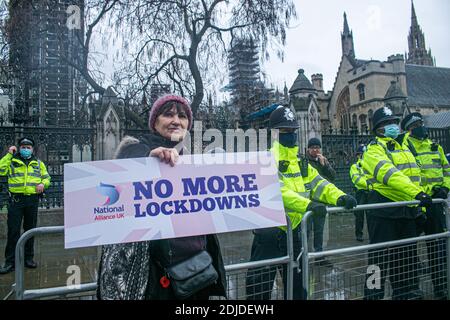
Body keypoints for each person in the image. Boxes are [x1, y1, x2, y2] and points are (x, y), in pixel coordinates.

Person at [97, 94, 226, 300]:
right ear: (155, 122)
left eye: (182, 116)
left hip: (198, 271)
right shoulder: (137, 148)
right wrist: (150, 161)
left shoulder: (195, 158)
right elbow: (129, 165)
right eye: (168, 114)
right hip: (155, 279)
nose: (176, 120)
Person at [246, 106, 357, 300]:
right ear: (275, 133)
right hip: (270, 234)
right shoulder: (265, 159)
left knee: (299, 288)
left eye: (292, 131)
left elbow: (319, 184)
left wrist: (340, 197)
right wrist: (307, 205)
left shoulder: (300, 161)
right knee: (259, 291)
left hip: (296, 233)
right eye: (284, 131)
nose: (290, 135)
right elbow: (276, 191)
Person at [361, 106, 432, 300]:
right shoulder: (373, 150)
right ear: (377, 129)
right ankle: (373, 295)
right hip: (383, 211)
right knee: (378, 261)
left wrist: (421, 207)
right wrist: (417, 194)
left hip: (407, 212)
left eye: (392, 122)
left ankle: (407, 293)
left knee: (407, 260)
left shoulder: (405, 148)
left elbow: (417, 177)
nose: (391, 126)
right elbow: (390, 175)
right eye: (385, 124)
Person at [401, 112, 449, 300]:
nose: (421, 127)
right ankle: (413, 288)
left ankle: (440, 287)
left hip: (434, 205)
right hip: (414, 204)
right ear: (409, 129)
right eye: (416, 125)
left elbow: (446, 170)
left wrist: (444, 188)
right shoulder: (403, 147)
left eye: (422, 123)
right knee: (409, 250)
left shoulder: (435, 147)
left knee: (436, 249)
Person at [0, 137, 51, 274]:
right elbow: (1, 170)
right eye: (23, 147)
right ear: (19, 148)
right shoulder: (12, 161)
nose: (26, 149)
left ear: (32, 149)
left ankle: (29, 258)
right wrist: (9, 154)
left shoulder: (38, 163)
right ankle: (10, 262)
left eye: (28, 147)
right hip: (16, 201)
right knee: (13, 231)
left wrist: (43, 184)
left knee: (30, 230)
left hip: (32, 200)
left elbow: (47, 178)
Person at [305, 137, 336, 265]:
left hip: (321, 202)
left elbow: (332, 177)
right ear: (308, 149)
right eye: (313, 147)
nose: (316, 150)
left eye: (317, 147)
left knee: (319, 231)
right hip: (308, 201)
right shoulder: (304, 161)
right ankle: (303, 256)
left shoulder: (323, 161)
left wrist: (326, 165)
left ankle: (319, 257)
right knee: (305, 231)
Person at [349, 144, 371, 242]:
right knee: (359, 216)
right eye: (362, 154)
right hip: (361, 193)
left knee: (372, 215)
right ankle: (359, 234)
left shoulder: (370, 165)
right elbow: (357, 180)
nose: (363, 156)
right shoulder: (355, 166)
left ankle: (372, 234)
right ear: (358, 155)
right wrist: (370, 184)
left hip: (370, 192)